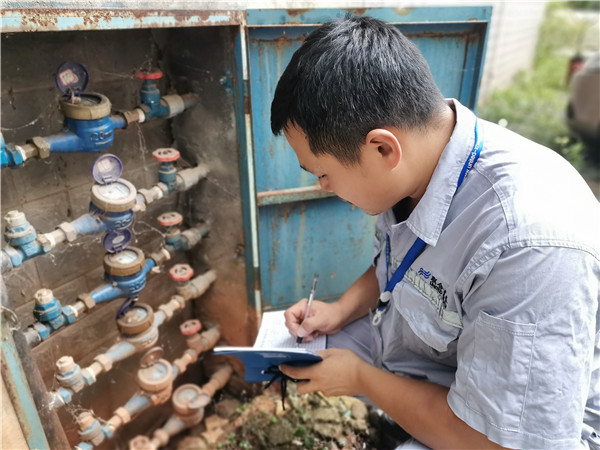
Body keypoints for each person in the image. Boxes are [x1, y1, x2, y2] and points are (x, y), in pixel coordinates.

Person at [270, 15, 600, 450]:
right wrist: (339, 310)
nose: (323, 187)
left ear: (383, 148)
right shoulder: (421, 158)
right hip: (428, 357)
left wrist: (360, 379)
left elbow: (491, 441)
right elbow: (399, 263)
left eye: (323, 174)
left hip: (501, 434)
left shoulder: (526, 244)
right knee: (303, 348)